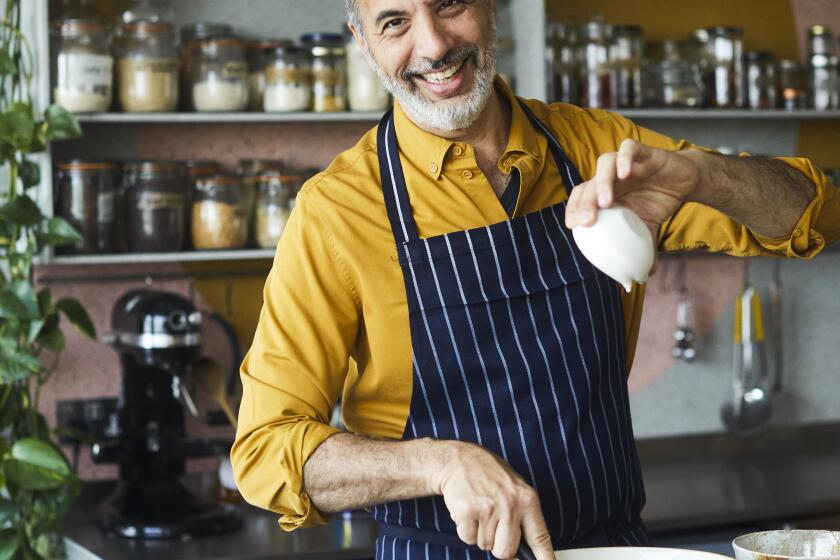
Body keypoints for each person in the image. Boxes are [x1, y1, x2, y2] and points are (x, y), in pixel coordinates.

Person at [231, 1, 840, 559]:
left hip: (614, 545)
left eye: (450, 4)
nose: (435, 43)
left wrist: (702, 175)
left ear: (490, 8)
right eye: (395, 22)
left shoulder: (595, 147)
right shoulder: (336, 212)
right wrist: (437, 465)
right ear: (362, 42)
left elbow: (817, 215)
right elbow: (264, 452)